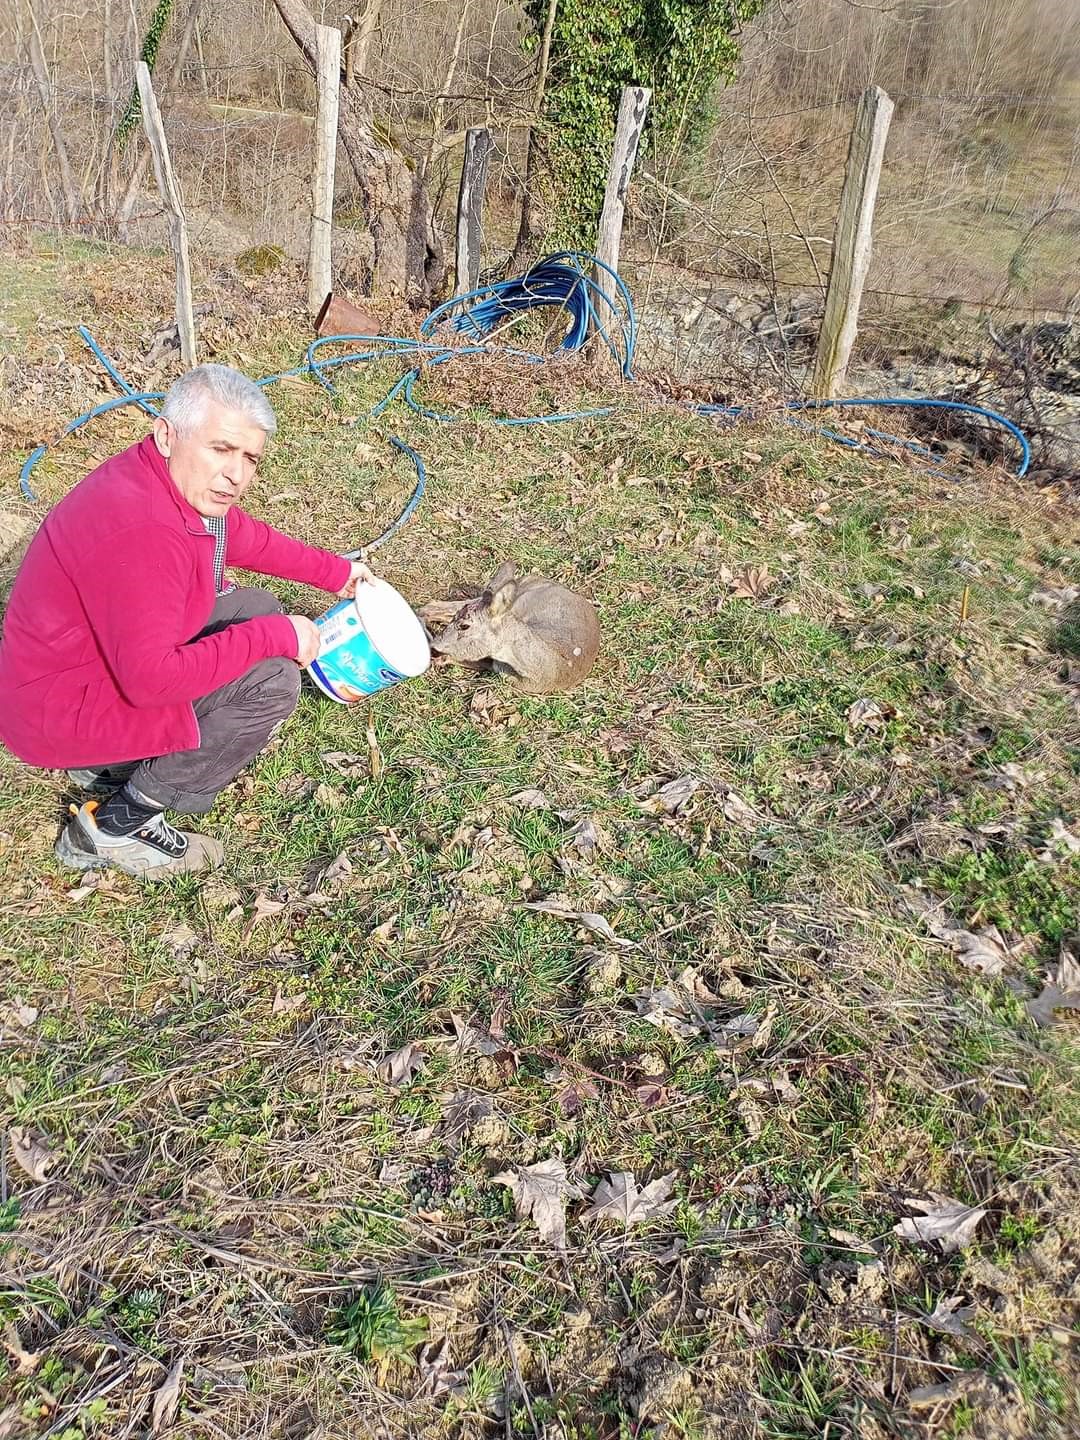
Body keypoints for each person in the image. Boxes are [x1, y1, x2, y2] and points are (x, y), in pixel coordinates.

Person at [0, 363, 373, 880]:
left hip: (76, 673)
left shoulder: (161, 480)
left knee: (255, 607)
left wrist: (337, 574)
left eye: (250, 458)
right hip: (59, 711)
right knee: (272, 679)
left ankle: (107, 764)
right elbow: (152, 679)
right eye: (220, 449)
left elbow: (241, 536)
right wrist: (279, 635)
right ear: (167, 435)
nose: (237, 474)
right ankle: (114, 826)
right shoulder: (145, 530)